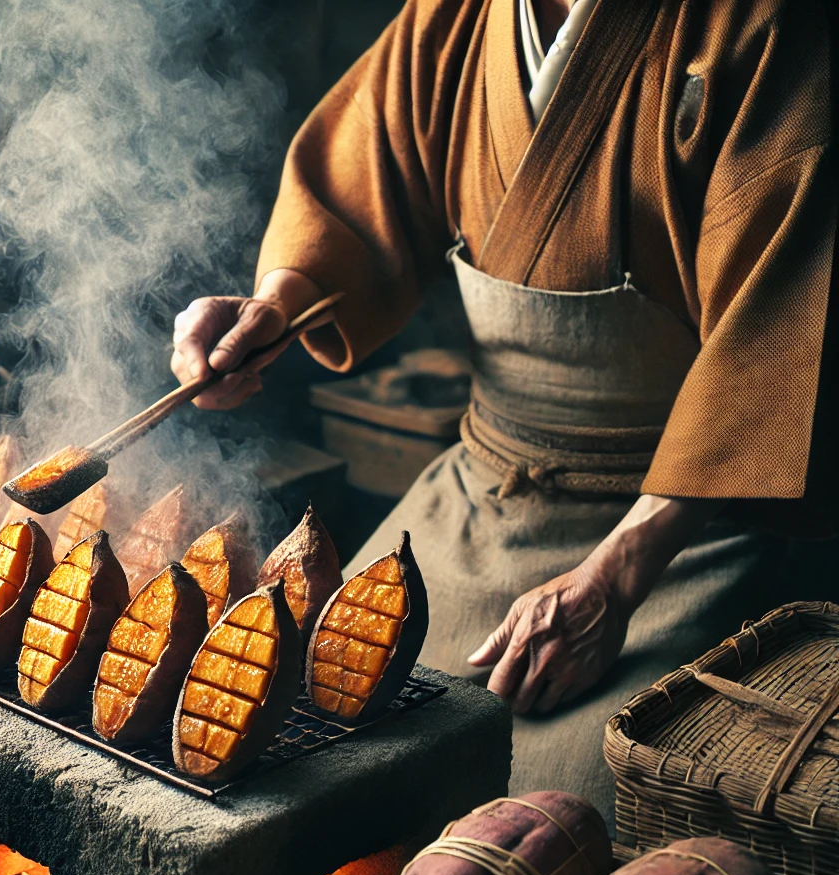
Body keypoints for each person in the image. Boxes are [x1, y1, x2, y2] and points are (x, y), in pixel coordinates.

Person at [170, 0, 836, 826]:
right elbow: (352, 190)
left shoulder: (764, 25)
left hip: (684, 525)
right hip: (481, 489)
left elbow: (776, 334)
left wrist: (618, 577)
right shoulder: (454, 19)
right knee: (307, 721)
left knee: (571, 817)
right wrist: (275, 305)